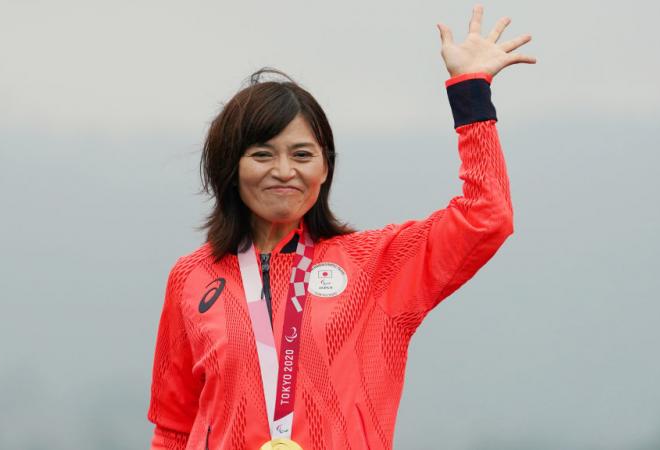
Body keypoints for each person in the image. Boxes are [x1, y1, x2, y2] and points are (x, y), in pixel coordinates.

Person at [148, 4, 535, 449]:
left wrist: (470, 94)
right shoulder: (191, 278)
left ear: (325, 168)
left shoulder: (378, 265)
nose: (283, 171)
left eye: (301, 155)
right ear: (229, 168)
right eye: (261, 154)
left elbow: (487, 217)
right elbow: (174, 430)